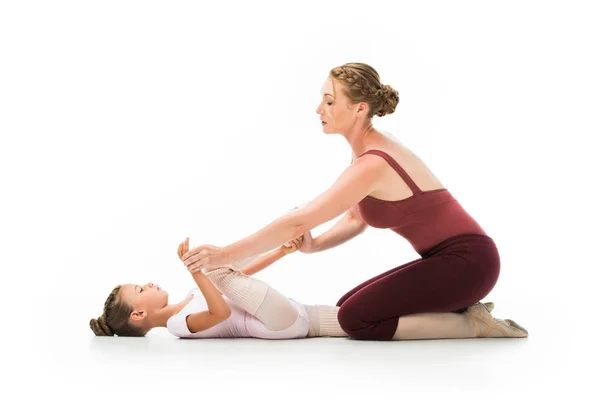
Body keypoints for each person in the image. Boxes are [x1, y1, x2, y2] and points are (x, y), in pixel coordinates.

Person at [181, 62, 528, 341]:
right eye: (322, 99)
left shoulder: (373, 162)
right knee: (349, 305)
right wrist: (313, 246)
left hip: (469, 264)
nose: (319, 108)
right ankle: (459, 312)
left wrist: (225, 255)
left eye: (330, 101)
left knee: (355, 319)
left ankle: (474, 325)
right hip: (451, 261)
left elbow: (301, 219)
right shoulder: (364, 150)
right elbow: (356, 218)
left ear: (359, 108)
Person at [89, 236, 346, 339]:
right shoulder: (176, 325)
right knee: (215, 268)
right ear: (139, 314)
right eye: (141, 290)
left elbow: (239, 275)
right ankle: (274, 233)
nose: (149, 284)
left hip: (294, 312)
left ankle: (276, 239)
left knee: (359, 319)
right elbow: (220, 313)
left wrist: (281, 252)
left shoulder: (192, 294)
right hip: (275, 323)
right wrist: (196, 270)